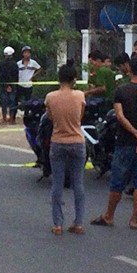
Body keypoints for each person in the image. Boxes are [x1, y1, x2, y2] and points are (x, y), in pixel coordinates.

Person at [91, 56, 137, 230]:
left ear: (129, 69)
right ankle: (134, 219)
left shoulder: (121, 91)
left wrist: (134, 132)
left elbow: (120, 116)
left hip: (124, 142)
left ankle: (109, 215)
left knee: (117, 181)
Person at [45, 63, 87, 235]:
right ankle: (78, 222)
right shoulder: (80, 95)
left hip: (58, 141)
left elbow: (50, 117)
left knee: (57, 183)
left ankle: (57, 224)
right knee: (78, 183)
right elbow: (80, 117)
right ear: (74, 79)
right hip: (77, 141)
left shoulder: (50, 97)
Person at [84, 51, 115, 115]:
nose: (91, 65)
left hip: (104, 101)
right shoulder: (108, 70)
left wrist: (87, 92)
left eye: (92, 62)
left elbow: (102, 88)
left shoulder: (101, 71)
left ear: (98, 60)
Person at [0, 46, 19, 124]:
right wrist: (10, 85)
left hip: (3, 85)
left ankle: (4, 118)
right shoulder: (14, 64)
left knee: (4, 102)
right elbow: (16, 76)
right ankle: (11, 119)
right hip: (12, 85)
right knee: (12, 102)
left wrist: (6, 85)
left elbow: (0, 75)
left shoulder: (1, 64)